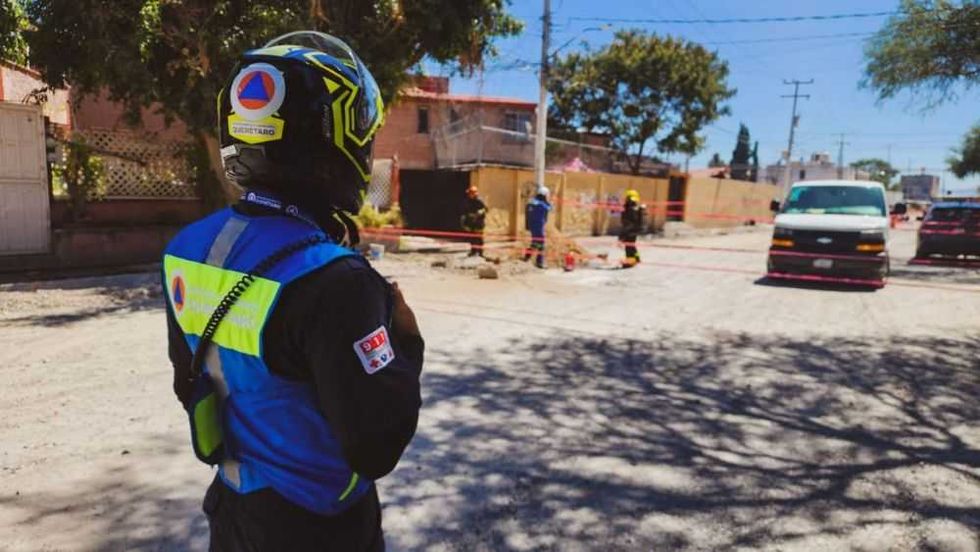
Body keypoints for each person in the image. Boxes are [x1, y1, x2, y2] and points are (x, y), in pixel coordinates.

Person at [162, 32, 423, 551]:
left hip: (234, 509)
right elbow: (377, 445)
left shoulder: (186, 249)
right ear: (333, 140)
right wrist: (408, 344)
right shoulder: (337, 280)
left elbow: (188, 381)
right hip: (322, 524)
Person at [523, 186, 552, 268]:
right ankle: (539, 262)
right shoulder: (542, 204)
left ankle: (527, 257)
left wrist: (527, 225)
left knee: (535, 243)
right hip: (539, 226)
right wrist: (548, 202)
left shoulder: (531, 203)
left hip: (532, 226)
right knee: (541, 244)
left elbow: (527, 213)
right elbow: (550, 208)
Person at [619, 189, 646, 268]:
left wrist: (622, 235)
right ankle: (636, 258)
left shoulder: (631, 209)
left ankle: (630, 260)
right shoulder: (635, 208)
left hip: (630, 230)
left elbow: (628, 222)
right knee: (631, 245)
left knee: (629, 246)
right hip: (632, 230)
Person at [460, 185, 487, 257]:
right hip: (471, 222)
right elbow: (465, 211)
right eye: (469, 193)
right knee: (472, 237)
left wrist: (481, 211)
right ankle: (473, 251)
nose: (469, 195)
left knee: (479, 238)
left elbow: (485, 209)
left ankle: (481, 252)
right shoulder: (467, 200)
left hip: (479, 222)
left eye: (470, 193)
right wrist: (464, 222)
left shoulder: (479, 200)